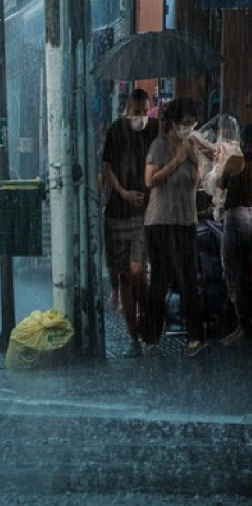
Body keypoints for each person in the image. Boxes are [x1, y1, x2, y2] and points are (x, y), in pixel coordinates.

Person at [144, 97, 209, 357]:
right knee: (161, 280)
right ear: (173, 122)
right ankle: (151, 338)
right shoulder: (159, 145)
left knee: (189, 279)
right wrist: (176, 160)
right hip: (161, 221)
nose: (188, 128)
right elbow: (150, 181)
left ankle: (195, 339)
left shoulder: (192, 143)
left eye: (192, 124)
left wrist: (194, 159)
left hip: (186, 219)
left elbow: (199, 178)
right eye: (185, 123)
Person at [102, 89, 159, 357]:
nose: (140, 117)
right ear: (127, 110)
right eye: (136, 112)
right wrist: (123, 192)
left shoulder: (156, 129)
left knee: (138, 271)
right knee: (125, 275)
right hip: (118, 211)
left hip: (145, 212)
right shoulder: (116, 130)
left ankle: (148, 322)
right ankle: (133, 336)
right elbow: (107, 168)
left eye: (144, 112)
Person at [218, 123, 252, 345]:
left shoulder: (237, 160)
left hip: (238, 215)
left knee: (234, 271)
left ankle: (242, 327)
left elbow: (220, 183)